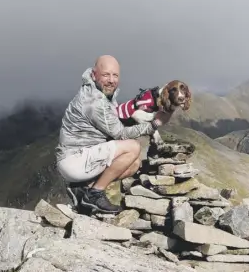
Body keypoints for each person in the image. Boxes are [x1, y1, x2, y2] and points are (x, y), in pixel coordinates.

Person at [55, 55, 169, 213]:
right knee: (133, 148)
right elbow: (121, 134)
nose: (111, 80)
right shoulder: (95, 101)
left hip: (80, 158)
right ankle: (95, 194)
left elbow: (113, 122)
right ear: (94, 75)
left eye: (115, 75)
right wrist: (155, 124)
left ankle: (83, 189)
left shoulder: (101, 94)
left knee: (133, 163)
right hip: (74, 160)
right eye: (106, 74)